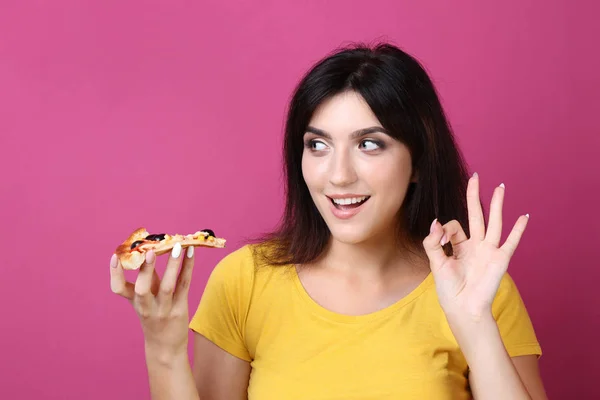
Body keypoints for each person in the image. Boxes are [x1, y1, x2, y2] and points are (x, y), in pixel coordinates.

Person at [110, 42, 548, 399]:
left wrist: (474, 322)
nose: (338, 175)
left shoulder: (476, 290)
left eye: (370, 145)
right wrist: (164, 350)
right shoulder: (244, 281)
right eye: (317, 146)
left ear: (417, 161)